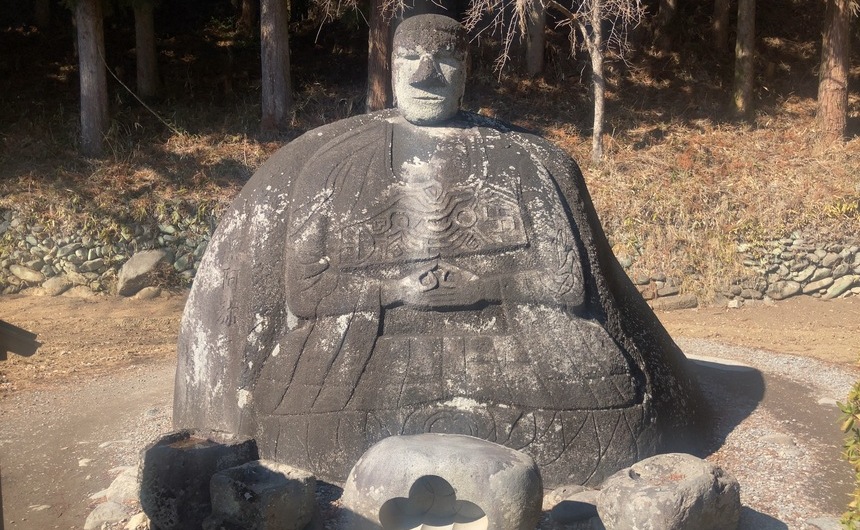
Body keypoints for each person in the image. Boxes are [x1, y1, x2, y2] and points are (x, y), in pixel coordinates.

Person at [174, 14, 703, 488]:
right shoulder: (333, 164)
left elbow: (566, 284)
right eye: (411, 58)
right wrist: (396, 289)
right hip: (367, 346)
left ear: (467, 70)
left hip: (510, 344)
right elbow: (306, 292)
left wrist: (482, 287)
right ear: (391, 66)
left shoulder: (519, 161)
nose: (426, 75)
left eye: (445, 59)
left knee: (606, 394)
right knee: (288, 406)